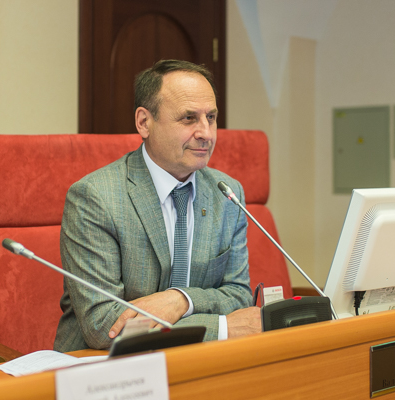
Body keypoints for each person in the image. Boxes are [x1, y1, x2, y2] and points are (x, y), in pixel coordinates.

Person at [54, 60, 261, 352]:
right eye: (189, 118)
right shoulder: (95, 198)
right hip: (108, 366)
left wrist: (181, 300)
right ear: (144, 122)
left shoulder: (227, 193)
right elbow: (103, 326)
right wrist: (222, 327)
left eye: (211, 117)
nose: (206, 133)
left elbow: (239, 296)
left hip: (203, 361)